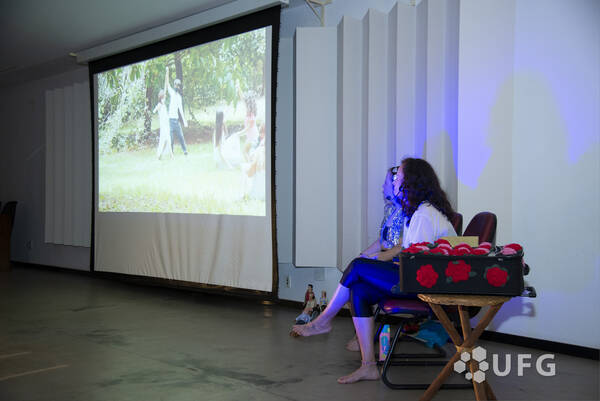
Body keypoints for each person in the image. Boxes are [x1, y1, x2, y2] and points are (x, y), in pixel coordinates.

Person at [290, 158, 457, 384]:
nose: (394, 181)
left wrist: (379, 263)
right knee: (359, 289)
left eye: (398, 178)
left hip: (429, 288)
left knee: (358, 266)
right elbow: (410, 257)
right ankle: (368, 365)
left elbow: (415, 263)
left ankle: (322, 321)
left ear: (411, 182)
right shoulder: (416, 212)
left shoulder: (424, 214)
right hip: (416, 279)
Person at [345, 166, 405, 352]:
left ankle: (329, 320)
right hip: (385, 259)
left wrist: (372, 259)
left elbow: (399, 248)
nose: (382, 187)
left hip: (397, 266)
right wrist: (363, 255)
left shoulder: (407, 214)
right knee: (354, 278)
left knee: (355, 277)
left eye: (386, 183)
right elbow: (382, 241)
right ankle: (362, 335)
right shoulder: (390, 210)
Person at [165, 66, 188, 155]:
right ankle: (171, 152)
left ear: (179, 87)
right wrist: (167, 72)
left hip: (176, 120)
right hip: (170, 120)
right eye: (175, 85)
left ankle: (185, 151)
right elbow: (167, 83)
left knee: (180, 136)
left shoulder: (179, 97)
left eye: (178, 85)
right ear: (174, 85)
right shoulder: (171, 92)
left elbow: (181, 110)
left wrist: (184, 121)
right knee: (171, 138)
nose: (176, 86)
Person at [153, 89, 173, 159]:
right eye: (164, 97)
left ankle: (164, 155)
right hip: (163, 125)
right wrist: (158, 108)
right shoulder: (160, 105)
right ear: (161, 98)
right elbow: (154, 111)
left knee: (167, 139)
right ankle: (164, 155)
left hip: (166, 124)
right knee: (164, 139)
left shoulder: (163, 105)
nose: (164, 99)